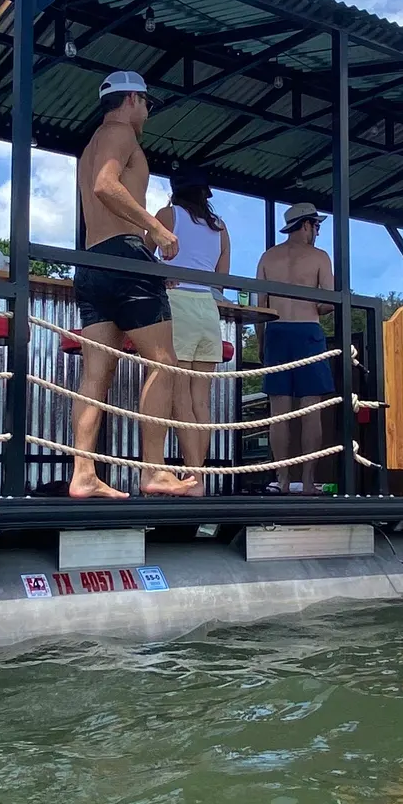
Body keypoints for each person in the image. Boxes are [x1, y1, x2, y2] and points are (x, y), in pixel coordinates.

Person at [70, 72, 197, 500]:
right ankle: (155, 471)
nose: (148, 112)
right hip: (124, 259)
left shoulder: (90, 144)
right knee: (164, 362)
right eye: (147, 103)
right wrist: (157, 231)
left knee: (95, 374)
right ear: (131, 100)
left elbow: (108, 204)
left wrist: (149, 248)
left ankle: (84, 473)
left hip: (93, 261)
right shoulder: (120, 132)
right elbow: (106, 186)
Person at [255, 201, 335, 489]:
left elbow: (260, 307)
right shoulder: (319, 257)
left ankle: (284, 479)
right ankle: (309, 481)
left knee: (279, 413)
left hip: (275, 331)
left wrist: (262, 344)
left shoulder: (268, 257)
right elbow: (328, 302)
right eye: (316, 226)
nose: (317, 231)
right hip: (307, 332)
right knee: (310, 410)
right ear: (306, 225)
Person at [155, 175, 230, 483]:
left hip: (178, 303)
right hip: (208, 310)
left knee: (180, 396)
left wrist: (163, 276)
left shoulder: (167, 215)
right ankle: (197, 478)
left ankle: (191, 476)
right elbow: (221, 276)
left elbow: (141, 254)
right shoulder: (220, 226)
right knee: (201, 399)